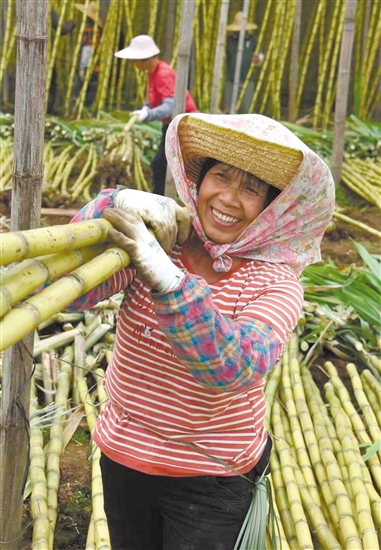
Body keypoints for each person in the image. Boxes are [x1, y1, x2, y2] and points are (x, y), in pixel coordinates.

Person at [68, 113, 335, 549]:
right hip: (123, 458)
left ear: (271, 209)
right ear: (199, 181)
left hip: (213, 479)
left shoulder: (276, 283)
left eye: (251, 189)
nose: (229, 198)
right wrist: (114, 204)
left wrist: (169, 283)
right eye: (221, 176)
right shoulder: (159, 242)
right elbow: (75, 289)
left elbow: (234, 366)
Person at [114, 35, 198, 196]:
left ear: (144, 59)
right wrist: (145, 109)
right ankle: (162, 197)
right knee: (159, 165)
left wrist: (148, 115)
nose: (133, 64)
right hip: (170, 125)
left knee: (162, 165)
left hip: (183, 126)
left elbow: (170, 106)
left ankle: (164, 199)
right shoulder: (152, 72)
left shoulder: (163, 73)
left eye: (135, 60)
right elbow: (152, 99)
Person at [223, 11, 264, 113]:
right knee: (228, 110)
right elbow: (224, 56)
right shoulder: (229, 40)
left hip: (247, 80)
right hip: (231, 80)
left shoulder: (253, 40)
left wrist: (258, 59)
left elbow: (261, 55)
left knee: (247, 110)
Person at [73, 1, 103, 109]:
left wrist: (82, 68)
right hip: (97, 68)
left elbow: (87, 49)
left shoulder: (90, 30)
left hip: (87, 68)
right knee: (91, 95)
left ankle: (75, 115)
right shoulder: (99, 31)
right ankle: (87, 116)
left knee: (77, 94)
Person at [48, 8, 75, 114]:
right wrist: (71, 24)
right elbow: (61, 30)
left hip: (26, 53)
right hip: (45, 54)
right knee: (50, 85)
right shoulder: (48, 9)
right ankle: (47, 112)